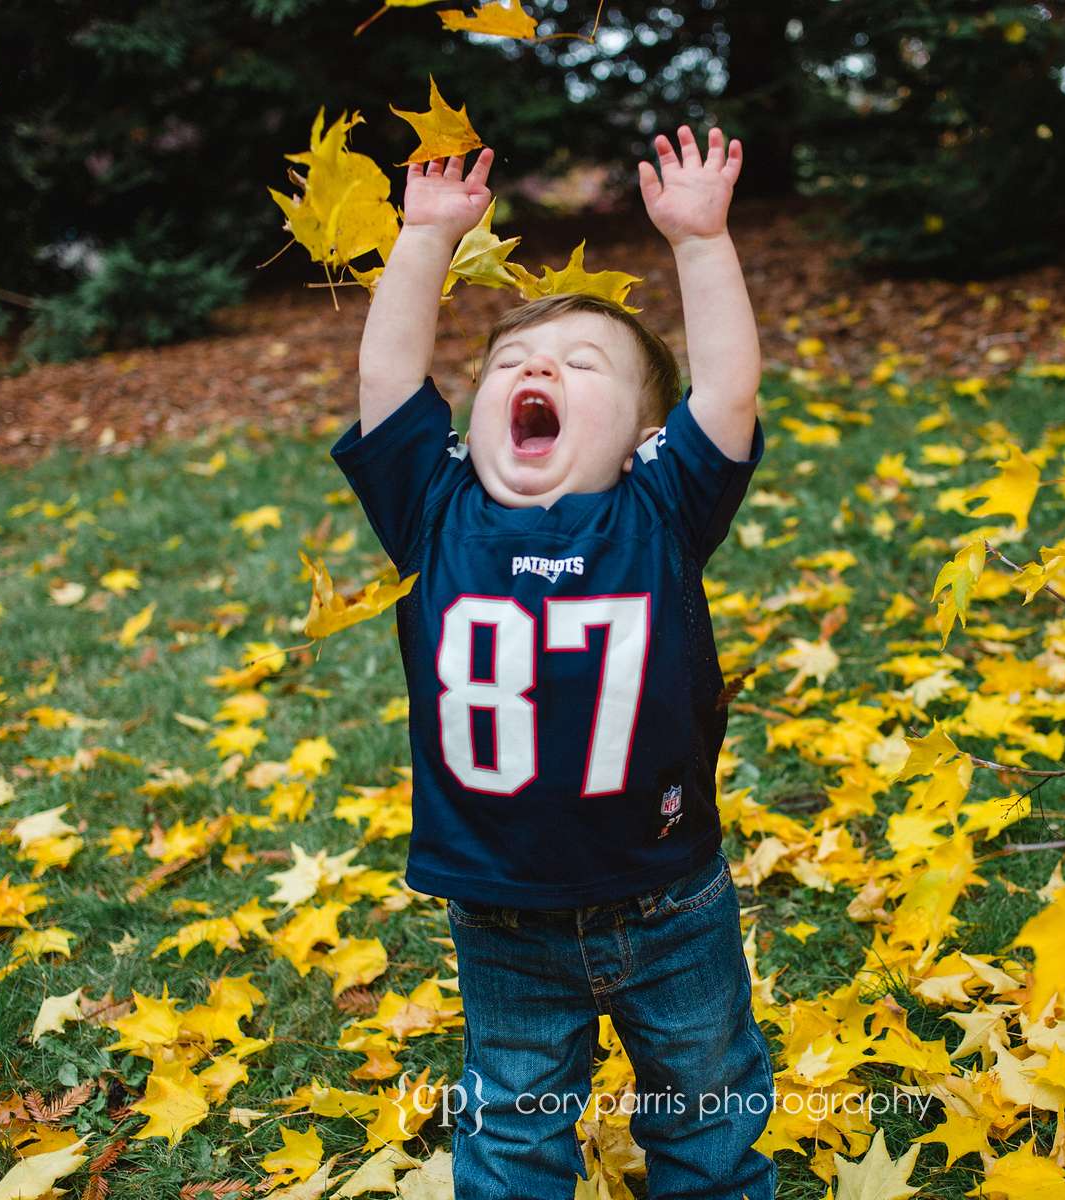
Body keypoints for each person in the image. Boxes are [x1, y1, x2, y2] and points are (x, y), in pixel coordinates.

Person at [330, 125, 776, 1199]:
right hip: (500, 910)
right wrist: (426, 238)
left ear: (637, 439)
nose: (537, 368)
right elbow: (389, 375)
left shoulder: (660, 510)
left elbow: (722, 393)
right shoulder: (433, 511)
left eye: (582, 367)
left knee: (709, 1108)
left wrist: (703, 242)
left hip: (670, 897)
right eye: (511, 367)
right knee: (514, 1130)